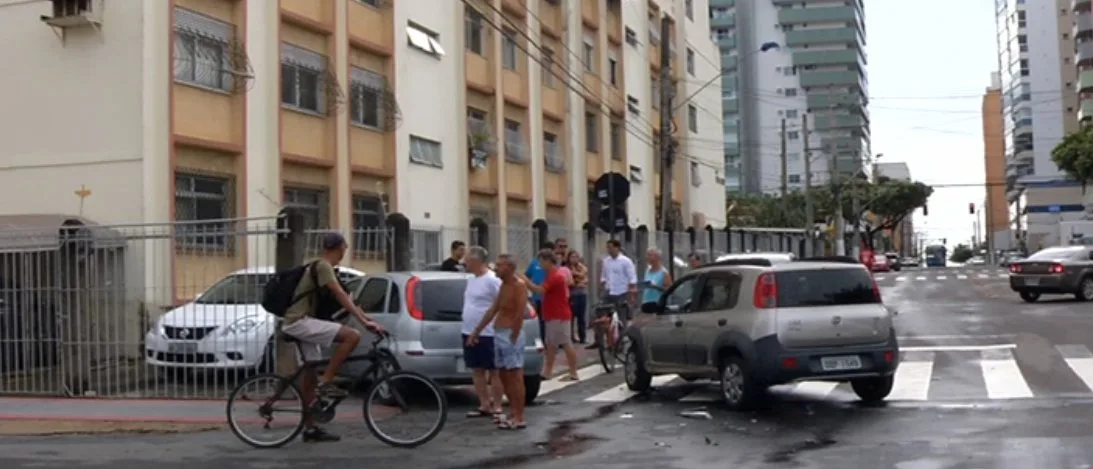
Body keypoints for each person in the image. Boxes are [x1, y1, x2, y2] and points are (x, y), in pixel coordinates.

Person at [281, 232, 386, 443]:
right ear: (339, 248)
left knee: (309, 375)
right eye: (344, 248)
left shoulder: (325, 267)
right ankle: (327, 380)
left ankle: (311, 429)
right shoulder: (322, 266)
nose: (344, 252)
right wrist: (364, 324)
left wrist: (369, 320)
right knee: (352, 336)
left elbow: (346, 299)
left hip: (303, 322)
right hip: (298, 322)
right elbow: (339, 294)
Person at [467, 254, 529, 430]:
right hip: (499, 332)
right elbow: (493, 309)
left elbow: (519, 312)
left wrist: (515, 334)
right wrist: (477, 331)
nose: (496, 268)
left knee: (515, 375)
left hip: (510, 334)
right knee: (503, 374)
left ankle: (519, 415)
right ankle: (513, 411)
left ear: (509, 268)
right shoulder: (504, 286)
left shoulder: (519, 286)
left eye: (500, 265)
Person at [460, 246, 506, 420]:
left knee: (494, 370)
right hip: (468, 330)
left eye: (469, 261)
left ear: (478, 261)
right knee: (477, 369)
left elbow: (500, 304)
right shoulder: (471, 280)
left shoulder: (492, 280)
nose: (466, 264)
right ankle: (484, 404)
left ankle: (497, 405)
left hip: (489, 332)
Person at [523, 249, 579, 382]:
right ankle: (548, 372)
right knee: (552, 344)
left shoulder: (556, 276)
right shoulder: (552, 274)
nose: (540, 265)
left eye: (542, 262)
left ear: (548, 261)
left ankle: (573, 372)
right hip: (553, 314)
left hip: (558, 314)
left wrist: (525, 280)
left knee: (565, 343)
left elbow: (539, 290)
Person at [599, 239, 637, 322]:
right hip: (609, 291)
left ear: (617, 248)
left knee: (621, 316)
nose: (609, 250)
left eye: (611, 247)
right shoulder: (606, 261)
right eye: (607, 248)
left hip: (621, 292)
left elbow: (632, 277)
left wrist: (632, 293)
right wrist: (602, 287)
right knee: (604, 314)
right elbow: (603, 276)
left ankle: (622, 333)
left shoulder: (626, 261)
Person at [524, 241, 554, 342]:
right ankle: (541, 340)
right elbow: (527, 275)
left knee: (547, 321)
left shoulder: (553, 268)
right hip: (536, 298)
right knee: (538, 321)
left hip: (547, 298)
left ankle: (549, 341)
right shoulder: (534, 263)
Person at [566, 250, 590, 344]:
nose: (575, 259)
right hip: (572, 295)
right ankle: (570, 337)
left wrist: (580, 280)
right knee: (571, 317)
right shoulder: (567, 268)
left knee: (581, 317)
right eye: (572, 257)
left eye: (576, 256)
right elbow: (571, 280)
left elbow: (586, 279)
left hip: (582, 294)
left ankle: (582, 337)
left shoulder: (580, 267)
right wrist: (578, 281)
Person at [640, 247, 673, 313]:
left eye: (650, 255)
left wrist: (656, 287)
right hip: (646, 302)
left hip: (657, 303)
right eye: (647, 255)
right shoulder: (647, 270)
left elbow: (669, 290)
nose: (647, 257)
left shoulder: (664, 272)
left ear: (657, 257)